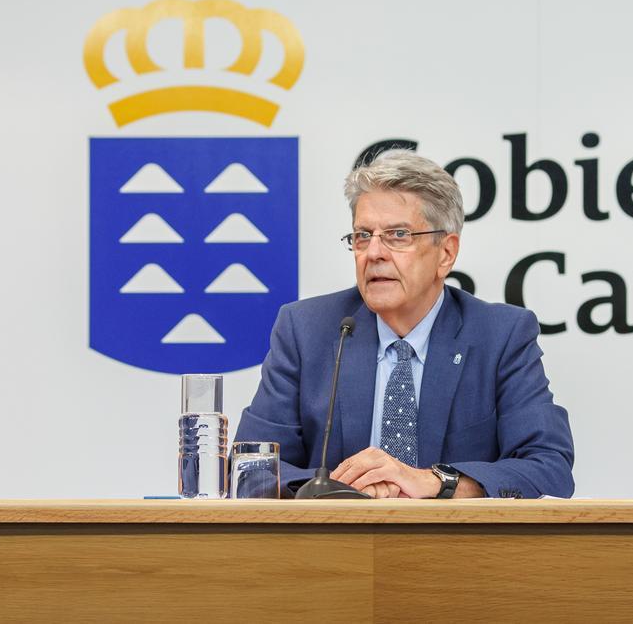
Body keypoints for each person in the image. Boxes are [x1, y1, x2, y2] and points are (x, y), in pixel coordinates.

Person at [234, 150, 574, 498]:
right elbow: (250, 469)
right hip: (335, 546)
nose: (374, 253)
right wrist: (342, 490)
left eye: (398, 235)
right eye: (363, 235)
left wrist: (436, 481)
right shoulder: (306, 330)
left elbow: (549, 468)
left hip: (456, 549)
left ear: (446, 253)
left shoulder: (500, 336)